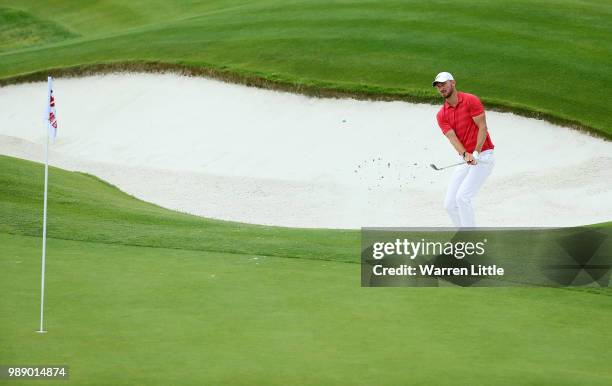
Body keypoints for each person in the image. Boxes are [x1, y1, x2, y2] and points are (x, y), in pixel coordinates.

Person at [432, 72, 495, 227]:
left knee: (462, 198)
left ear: (453, 83)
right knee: (449, 204)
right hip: (466, 159)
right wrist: (466, 154)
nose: (441, 88)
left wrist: (476, 152)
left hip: (484, 156)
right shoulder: (442, 115)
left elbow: (483, 127)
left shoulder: (470, 100)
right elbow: (453, 138)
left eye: (444, 84)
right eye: (438, 86)